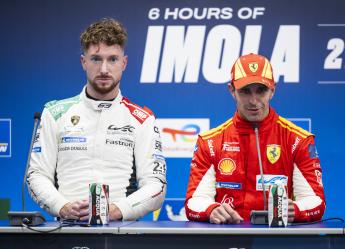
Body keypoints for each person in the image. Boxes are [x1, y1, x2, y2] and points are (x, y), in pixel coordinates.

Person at [27, 18, 166, 221]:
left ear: (124, 63)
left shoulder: (142, 119)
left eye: (112, 59)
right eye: (96, 59)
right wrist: (62, 206)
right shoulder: (55, 113)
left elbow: (156, 186)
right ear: (83, 62)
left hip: (121, 230)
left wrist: (117, 210)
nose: (103, 69)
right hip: (66, 229)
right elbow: (36, 175)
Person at [185, 53, 325, 224]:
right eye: (245, 91)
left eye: (261, 90)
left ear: (272, 90)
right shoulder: (209, 142)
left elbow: (315, 202)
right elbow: (194, 201)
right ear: (232, 91)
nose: (253, 101)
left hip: (277, 241)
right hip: (227, 240)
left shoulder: (298, 140)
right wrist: (211, 210)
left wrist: (294, 210)